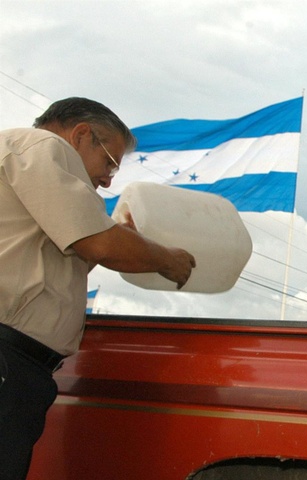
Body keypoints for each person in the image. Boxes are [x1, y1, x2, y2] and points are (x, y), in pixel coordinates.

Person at [0, 97, 197, 480]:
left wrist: (122, 239)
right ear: (81, 135)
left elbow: (66, 255)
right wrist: (166, 258)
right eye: (109, 161)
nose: (109, 179)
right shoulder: (44, 147)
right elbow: (99, 244)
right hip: (8, 355)